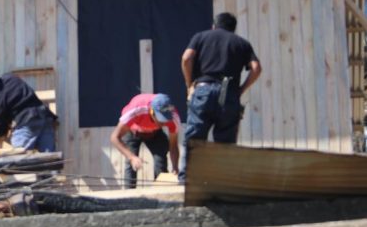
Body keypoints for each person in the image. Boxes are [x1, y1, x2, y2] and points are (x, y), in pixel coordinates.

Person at [180, 12, 262, 179]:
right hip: (229, 93)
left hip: (204, 89)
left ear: (214, 25)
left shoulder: (200, 37)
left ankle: (187, 181)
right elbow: (256, 68)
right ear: (233, 28)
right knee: (225, 143)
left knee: (195, 138)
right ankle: (222, 182)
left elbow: (186, 58)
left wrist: (189, 85)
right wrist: (240, 90)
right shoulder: (242, 43)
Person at [0, 70, 57, 152]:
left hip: (26, 122)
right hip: (45, 116)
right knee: (49, 160)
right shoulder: (10, 77)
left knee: (18, 160)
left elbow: (0, 128)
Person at [110, 93, 181, 189]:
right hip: (133, 131)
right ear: (151, 111)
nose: (163, 123)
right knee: (131, 166)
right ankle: (128, 197)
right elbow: (114, 137)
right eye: (160, 119)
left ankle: (161, 194)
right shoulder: (136, 109)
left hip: (155, 133)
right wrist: (132, 157)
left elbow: (173, 146)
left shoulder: (174, 117)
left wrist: (175, 167)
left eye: (165, 120)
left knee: (160, 161)